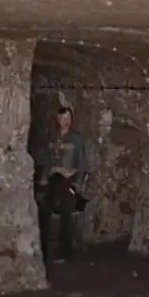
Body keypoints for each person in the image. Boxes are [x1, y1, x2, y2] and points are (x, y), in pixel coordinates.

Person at [39, 106, 88, 262]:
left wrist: (78, 182)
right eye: (63, 118)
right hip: (53, 178)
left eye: (68, 118)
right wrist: (44, 177)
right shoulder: (53, 138)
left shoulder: (76, 138)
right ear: (57, 119)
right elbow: (48, 159)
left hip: (68, 178)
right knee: (44, 211)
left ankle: (64, 252)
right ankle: (42, 249)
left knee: (66, 214)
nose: (66, 121)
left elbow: (81, 161)